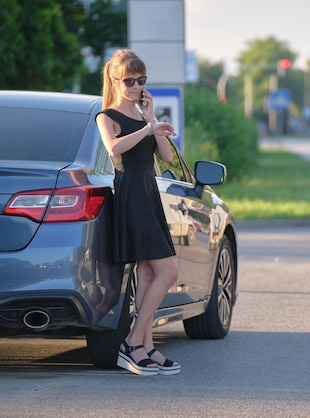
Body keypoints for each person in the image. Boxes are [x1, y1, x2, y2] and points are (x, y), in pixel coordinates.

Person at [96, 49, 181, 376]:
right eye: (129, 80)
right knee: (167, 273)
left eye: (140, 80)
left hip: (149, 193)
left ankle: (145, 346)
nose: (135, 86)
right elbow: (114, 148)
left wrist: (151, 120)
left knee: (148, 274)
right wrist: (146, 130)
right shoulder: (108, 117)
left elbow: (166, 158)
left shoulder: (145, 118)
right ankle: (131, 342)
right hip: (131, 195)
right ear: (116, 81)